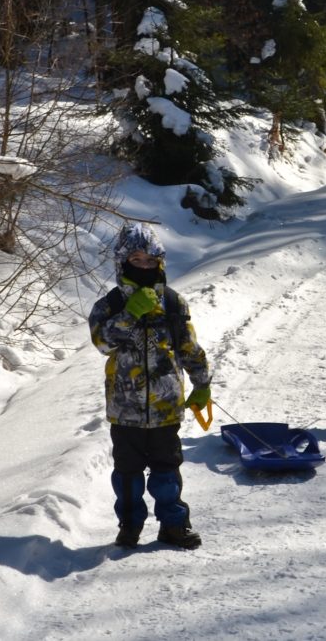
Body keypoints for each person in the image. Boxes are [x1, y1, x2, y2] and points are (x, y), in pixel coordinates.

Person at [88, 223, 211, 550]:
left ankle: (173, 525)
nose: (143, 266)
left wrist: (202, 384)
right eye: (136, 259)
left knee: (167, 472)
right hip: (124, 412)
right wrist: (129, 314)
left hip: (166, 408)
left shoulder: (173, 302)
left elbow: (188, 347)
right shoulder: (109, 305)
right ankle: (129, 526)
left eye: (150, 260)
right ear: (122, 262)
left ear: (160, 262)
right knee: (126, 475)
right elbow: (103, 344)